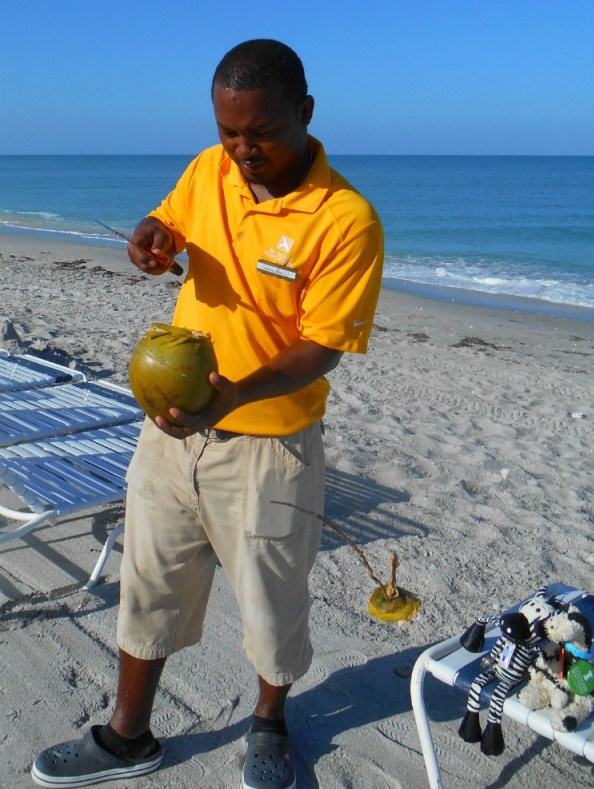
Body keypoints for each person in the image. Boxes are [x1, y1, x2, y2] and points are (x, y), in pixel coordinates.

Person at [32, 39, 383, 789]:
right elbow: (166, 224)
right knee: (148, 580)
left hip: (270, 446)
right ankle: (128, 736)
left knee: (271, 601)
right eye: (229, 132)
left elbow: (323, 346)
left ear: (306, 113)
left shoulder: (346, 219)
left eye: (261, 133)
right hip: (170, 434)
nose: (242, 150)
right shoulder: (209, 170)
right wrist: (149, 238)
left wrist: (233, 395)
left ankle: (269, 725)